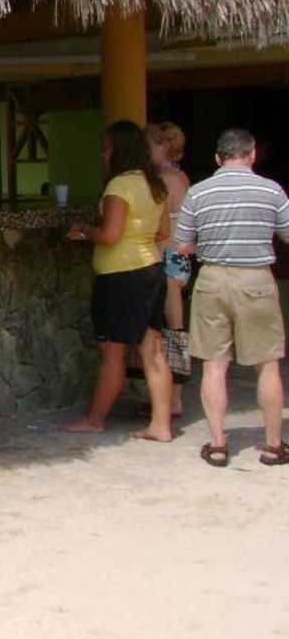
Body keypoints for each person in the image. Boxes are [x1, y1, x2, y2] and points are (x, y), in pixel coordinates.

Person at [173, 129, 289, 467]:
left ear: (217, 158)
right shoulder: (271, 190)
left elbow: (181, 244)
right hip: (257, 280)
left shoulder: (198, 192)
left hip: (212, 280)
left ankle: (218, 444)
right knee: (267, 364)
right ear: (252, 154)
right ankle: (273, 445)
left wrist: (209, 244)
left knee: (214, 365)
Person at [65, 120, 173, 441]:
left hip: (120, 277)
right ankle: (162, 425)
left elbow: (110, 235)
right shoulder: (155, 184)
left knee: (112, 353)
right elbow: (163, 232)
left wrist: (84, 230)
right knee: (153, 351)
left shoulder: (119, 186)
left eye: (107, 148)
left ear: (119, 151)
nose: (103, 154)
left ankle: (95, 419)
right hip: (151, 270)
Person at [147, 121, 192, 419]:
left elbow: (161, 227)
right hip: (179, 258)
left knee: (171, 331)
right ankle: (172, 397)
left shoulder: (165, 181)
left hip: (167, 258)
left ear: (163, 146)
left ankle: (172, 399)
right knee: (174, 329)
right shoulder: (180, 176)